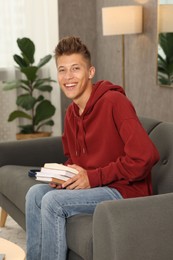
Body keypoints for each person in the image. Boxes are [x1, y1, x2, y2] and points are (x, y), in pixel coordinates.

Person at [25, 36, 160, 260]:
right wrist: (64, 175)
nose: (68, 77)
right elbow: (76, 159)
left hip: (125, 191)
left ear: (90, 72)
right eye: (62, 70)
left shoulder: (115, 102)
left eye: (75, 69)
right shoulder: (71, 113)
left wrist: (93, 177)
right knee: (35, 194)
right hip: (98, 185)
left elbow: (146, 156)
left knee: (52, 202)